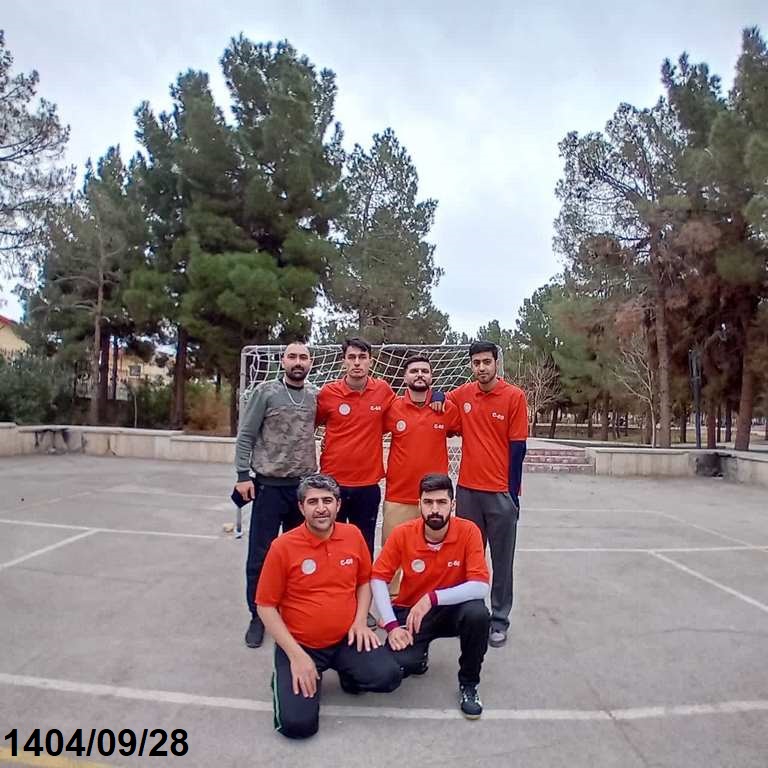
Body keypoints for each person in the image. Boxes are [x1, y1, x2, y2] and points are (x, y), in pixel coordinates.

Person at [256, 474, 402, 739]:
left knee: (388, 676)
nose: (321, 508)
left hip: (346, 638)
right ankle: (287, 674)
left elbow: (364, 581)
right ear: (301, 508)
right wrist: (296, 655)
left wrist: (360, 621)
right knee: (298, 726)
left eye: (327, 500)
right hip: (301, 645)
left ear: (338, 505)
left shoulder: (352, 535)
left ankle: (348, 673)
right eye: (313, 502)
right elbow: (265, 606)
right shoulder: (283, 547)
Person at [371, 473, 490, 719]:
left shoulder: (468, 531)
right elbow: (378, 578)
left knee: (478, 614)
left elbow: (480, 586)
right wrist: (391, 625)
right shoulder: (403, 533)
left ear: (452, 505)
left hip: (452, 610)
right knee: (390, 672)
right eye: (428, 502)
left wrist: (432, 598)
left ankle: (469, 684)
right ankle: (419, 656)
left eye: (441, 502)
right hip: (413, 613)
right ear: (419, 504)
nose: (434, 509)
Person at [234, 342, 317, 649]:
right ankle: (258, 616)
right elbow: (246, 434)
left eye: (303, 357)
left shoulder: (314, 396)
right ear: (283, 361)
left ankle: (292, 612)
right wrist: (243, 475)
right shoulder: (265, 392)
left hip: (302, 489)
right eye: (292, 356)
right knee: (261, 556)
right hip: (268, 487)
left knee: (299, 556)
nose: (298, 362)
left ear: (310, 363)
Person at [446, 340, 528, 648]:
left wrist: (513, 494)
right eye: (476, 362)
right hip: (468, 491)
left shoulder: (514, 396)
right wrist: (438, 396)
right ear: (471, 365)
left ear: (496, 363)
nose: (481, 367)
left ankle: (499, 619)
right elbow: (439, 401)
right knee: (468, 558)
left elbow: (518, 449)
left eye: (486, 362)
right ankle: (471, 615)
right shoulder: (463, 395)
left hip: (500, 494)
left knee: (502, 561)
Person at [382, 354, 461, 596]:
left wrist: (442, 396)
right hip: (398, 495)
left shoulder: (445, 408)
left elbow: (467, 425)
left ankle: (432, 598)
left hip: (434, 498)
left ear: (431, 377)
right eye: (414, 371)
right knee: (393, 553)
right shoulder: (392, 408)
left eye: (424, 371)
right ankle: (394, 600)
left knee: (436, 552)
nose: (419, 375)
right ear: (405, 376)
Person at [316, 337, 396, 557]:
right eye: (351, 357)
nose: (357, 362)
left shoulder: (383, 391)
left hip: (367, 485)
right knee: (332, 545)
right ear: (343, 361)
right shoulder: (328, 393)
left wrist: (437, 395)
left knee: (363, 546)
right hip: (333, 483)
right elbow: (310, 423)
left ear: (371, 361)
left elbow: (405, 408)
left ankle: (363, 581)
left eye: (362, 357)